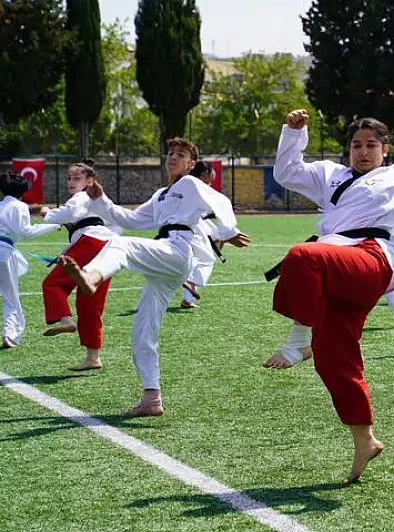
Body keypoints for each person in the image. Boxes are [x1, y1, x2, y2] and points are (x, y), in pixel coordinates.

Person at [262, 109, 394, 483]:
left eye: (372, 145)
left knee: (302, 256)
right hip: (337, 265)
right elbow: (285, 173)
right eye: (356, 145)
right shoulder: (329, 174)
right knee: (334, 358)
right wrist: (294, 133)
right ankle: (365, 440)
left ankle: (299, 338)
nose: (363, 152)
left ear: (385, 150)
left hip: (372, 257)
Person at [58, 138, 251, 417]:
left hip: (177, 249)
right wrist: (102, 200)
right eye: (171, 153)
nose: (173, 157)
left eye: (181, 155)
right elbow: (131, 220)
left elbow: (219, 200)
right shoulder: (161, 194)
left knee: (122, 245)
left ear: (191, 164)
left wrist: (228, 230)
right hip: (164, 259)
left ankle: (90, 277)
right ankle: (152, 397)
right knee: (142, 330)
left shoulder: (189, 184)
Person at [39, 162, 122, 370]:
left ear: (89, 181)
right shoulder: (100, 201)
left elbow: (70, 212)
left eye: (76, 178)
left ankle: (65, 319)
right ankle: (93, 357)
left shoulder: (82, 196)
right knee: (90, 303)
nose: (70, 182)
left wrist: (47, 213)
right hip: (107, 246)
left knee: (53, 284)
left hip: (90, 242)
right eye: (69, 178)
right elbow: (115, 224)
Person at [0, 173, 61, 348]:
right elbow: (26, 231)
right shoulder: (19, 206)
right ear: (23, 191)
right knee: (10, 297)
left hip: (6, 250)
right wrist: (54, 225)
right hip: (4, 252)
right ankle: (9, 333)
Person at [179, 160, 224, 309]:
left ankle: (187, 298)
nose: (214, 177)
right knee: (207, 259)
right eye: (211, 173)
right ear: (205, 173)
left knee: (199, 255)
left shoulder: (187, 183)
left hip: (189, 223)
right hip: (193, 224)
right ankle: (190, 281)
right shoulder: (199, 186)